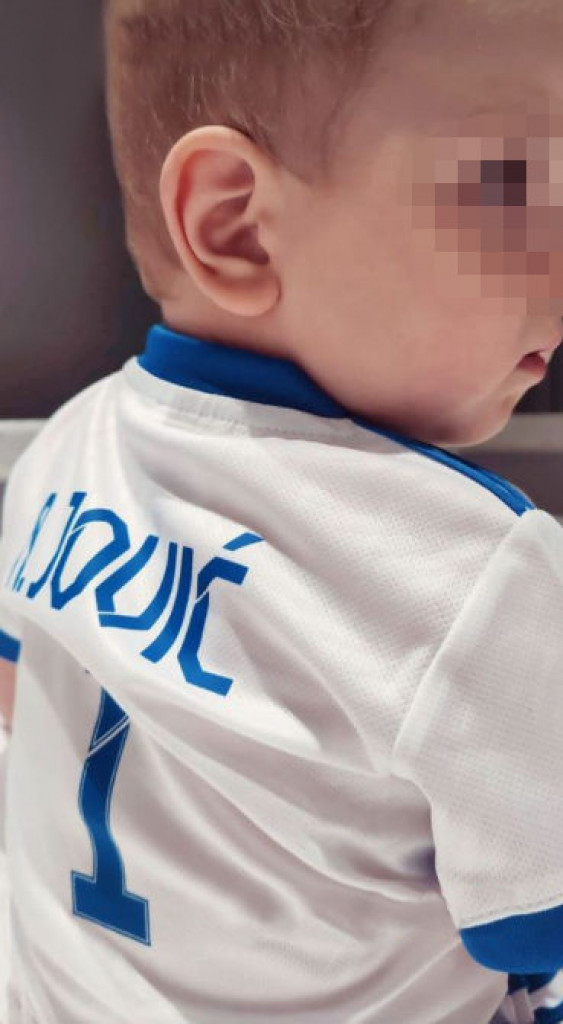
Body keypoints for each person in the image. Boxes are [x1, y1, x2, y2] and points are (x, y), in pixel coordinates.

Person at [1, 0, 563, 1020]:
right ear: (235, 226)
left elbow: (20, 698)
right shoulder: (477, 581)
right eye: (508, 185)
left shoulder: (64, 448)